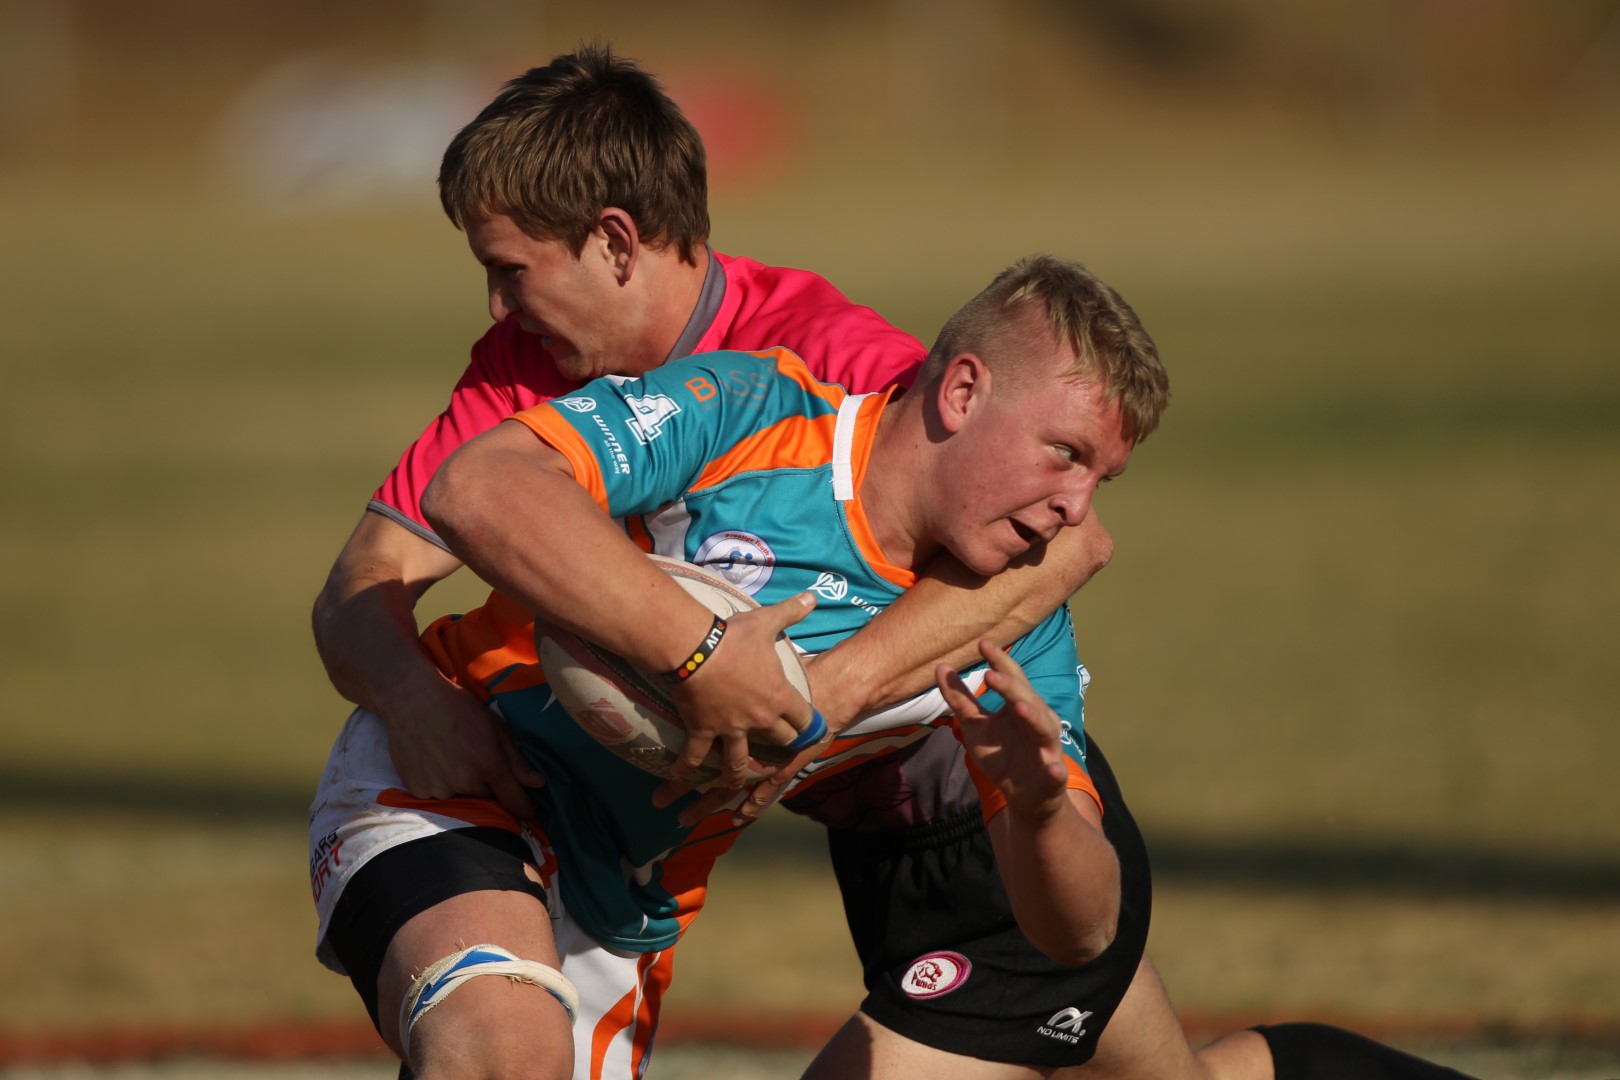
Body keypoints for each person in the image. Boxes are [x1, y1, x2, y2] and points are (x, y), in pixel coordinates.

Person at [309, 45, 1476, 1080]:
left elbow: (1056, 544)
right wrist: (425, 693)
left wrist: (815, 696)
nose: (497, 303)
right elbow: (379, 571)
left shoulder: (821, 369)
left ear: (615, 241)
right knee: (501, 1050)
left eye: (512, 268)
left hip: (916, 768)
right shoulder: (537, 357)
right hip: (585, 784)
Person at [310, 253, 1161, 1080]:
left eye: (1104, 478)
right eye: (1066, 452)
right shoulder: (751, 410)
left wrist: (1041, 814)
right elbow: (478, 486)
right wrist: (704, 656)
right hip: (452, 772)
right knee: (509, 1052)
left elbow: (1082, 935)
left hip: (622, 911)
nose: (1076, 507)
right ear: (963, 391)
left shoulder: (1015, 627)